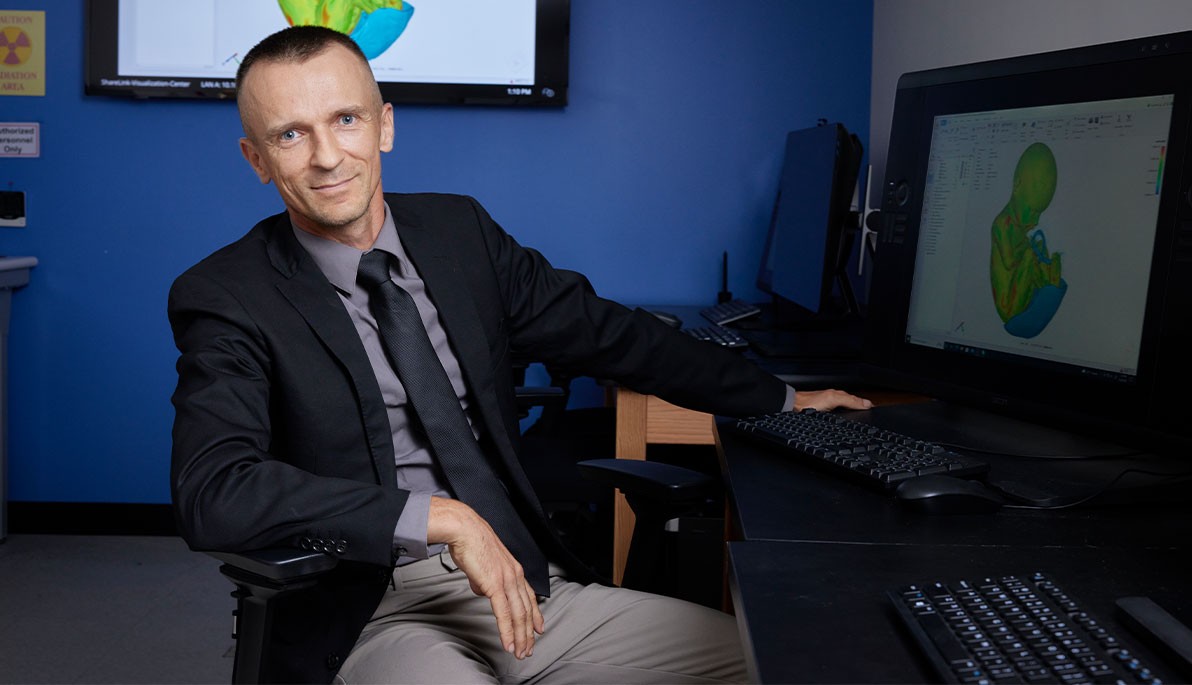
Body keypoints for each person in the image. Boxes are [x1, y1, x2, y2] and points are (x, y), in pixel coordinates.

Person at [168, 25, 871, 684]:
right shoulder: (229, 294)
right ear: (256, 160)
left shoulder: (459, 233)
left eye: (345, 120)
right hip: (373, 607)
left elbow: (609, 334)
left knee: (777, 661)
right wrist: (439, 516)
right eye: (292, 134)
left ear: (385, 124)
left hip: (527, 583)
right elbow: (214, 490)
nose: (326, 156)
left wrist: (780, 399)